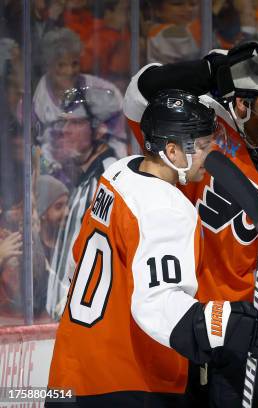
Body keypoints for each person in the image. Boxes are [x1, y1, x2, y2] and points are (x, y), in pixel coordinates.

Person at [46, 89, 258, 407]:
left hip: (70, 371)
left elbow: (80, 253)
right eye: (199, 146)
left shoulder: (119, 173)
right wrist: (226, 323)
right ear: (171, 150)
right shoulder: (166, 207)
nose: (209, 156)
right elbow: (157, 305)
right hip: (127, 383)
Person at [123, 41, 258, 406]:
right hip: (164, 324)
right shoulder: (199, 122)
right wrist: (209, 71)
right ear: (241, 103)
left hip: (226, 336)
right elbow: (139, 92)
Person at [45, 86, 121, 320]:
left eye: (76, 123)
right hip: (66, 319)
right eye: (64, 123)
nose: (65, 131)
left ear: (99, 129)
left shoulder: (110, 177)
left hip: (83, 320)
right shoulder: (84, 178)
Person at [33, 28, 127, 163]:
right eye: (61, 65)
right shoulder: (38, 97)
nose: (69, 71)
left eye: (74, 63)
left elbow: (117, 141)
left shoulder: (102, 91)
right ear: (48, 65)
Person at [35, 175, 69, 263]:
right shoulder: (33, 251)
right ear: (43, 213)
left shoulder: (71, 246)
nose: (66, 212)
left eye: (67, 205)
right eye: (58, 206)